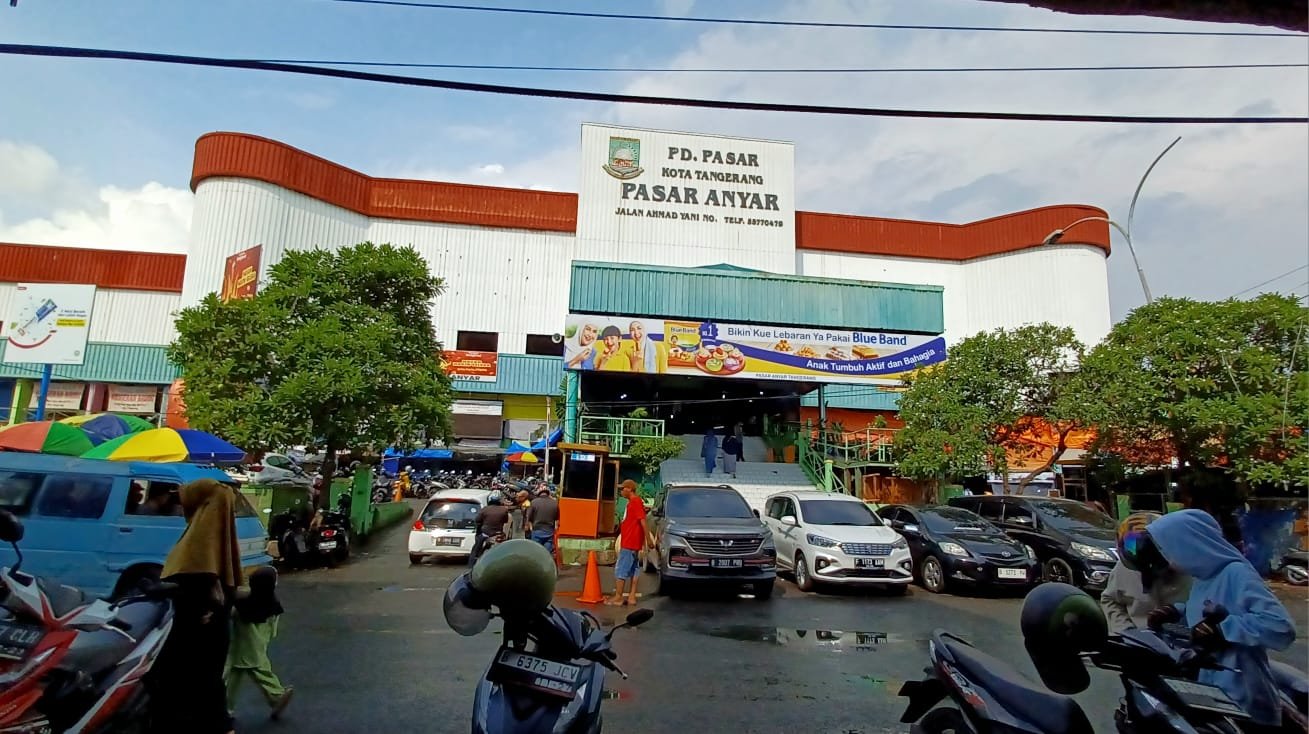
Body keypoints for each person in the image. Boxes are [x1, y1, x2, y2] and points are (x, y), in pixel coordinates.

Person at [1144, 509, 1296, 731]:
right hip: (1215, 692)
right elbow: (1208, 614)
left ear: (1190, 544)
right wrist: (1176, 613)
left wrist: (1224, 629)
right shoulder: (1203, 577)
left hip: (1245, 699)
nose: (1166, 556)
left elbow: (1280, 627)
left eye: (1168, 548)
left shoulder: (1236, 573)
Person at [147, 478, 244, 734]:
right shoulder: (221, 539)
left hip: (194, 629)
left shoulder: (200, 540)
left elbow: (193, 578)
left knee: (184, 678)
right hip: (214, 629)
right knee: (209, 678)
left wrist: (163, 589)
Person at [1100, 512, 1191, 634]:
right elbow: (1110, 600)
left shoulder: (1190, 569)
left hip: (1181, 638)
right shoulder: (1123, 568)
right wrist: (1126, 630)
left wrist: (1180, 613)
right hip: (1138, 638)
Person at [226, 566, 294, 720]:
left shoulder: (242, 604)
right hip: (259, 643)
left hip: (242, 645)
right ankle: (275, 695)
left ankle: (226, 708)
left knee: (235, 675)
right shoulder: (272, 602)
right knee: (257, 668)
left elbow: (233, 614)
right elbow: (273, 626)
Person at [608, 481, 652, 607]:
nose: (621, 491)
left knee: (621, 568)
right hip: (633, 541)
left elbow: (643, 521)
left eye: (623, 489)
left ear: (629, 489)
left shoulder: (635, 502)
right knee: (634, 568)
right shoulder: (634, 503)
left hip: (629, 542)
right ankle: (631, 596)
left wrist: (648, 539)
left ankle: (618, 596)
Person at [470, 491, 511, 568]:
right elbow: (505, 521)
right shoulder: (504, 510)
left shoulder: (485, 509)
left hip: (485, 534)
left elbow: (477, 520)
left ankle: (471, 566)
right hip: (498, 534)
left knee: (475, 550)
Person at [527, 486, 559, 554]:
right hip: (549, 532)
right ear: (548, 494)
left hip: (537, 531)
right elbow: (557, 519)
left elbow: (529, 517)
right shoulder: (555, 503)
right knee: (547, 553)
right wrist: (554, 529)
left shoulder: (534, 502)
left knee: (536, 553)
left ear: (539, 494)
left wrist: (531, 528)